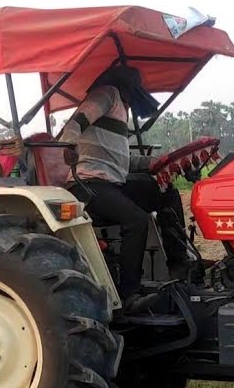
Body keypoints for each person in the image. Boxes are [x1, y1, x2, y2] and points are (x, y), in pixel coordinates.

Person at [58, 65, 191, 308]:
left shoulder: (120, 111)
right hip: (87, 184)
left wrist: (162, 163)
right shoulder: (107, 94)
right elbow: (75, 123)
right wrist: (68, 145)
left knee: (165, 191)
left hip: (113, 182)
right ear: (127, 84)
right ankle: (129, 294)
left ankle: (179, 263)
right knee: (137, 220)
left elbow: (125, 161)